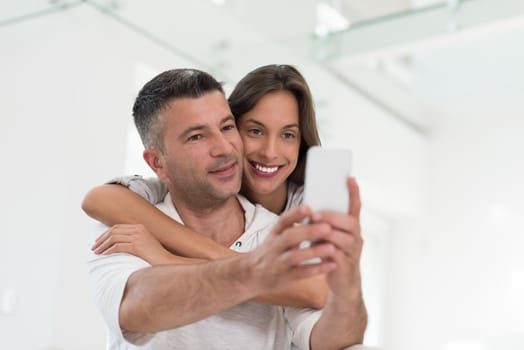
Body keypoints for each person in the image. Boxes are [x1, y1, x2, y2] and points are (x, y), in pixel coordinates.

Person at [86, 68, 367, 349]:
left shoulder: (282, 232)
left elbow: (330, 336)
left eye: (226, 127)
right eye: (197, 136)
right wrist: (256, 272)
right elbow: (137, 307)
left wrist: (348, 284)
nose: (224, 148)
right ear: (157, 163)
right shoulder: (129, 226)